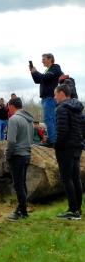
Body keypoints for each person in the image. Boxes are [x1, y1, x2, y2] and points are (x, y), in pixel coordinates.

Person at [54, 84, 83, 220]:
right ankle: (78, 209)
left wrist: (57, 146)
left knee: (66, 179)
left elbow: (62, 131)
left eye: (55, 94)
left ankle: (73, 210)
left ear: (61, 93)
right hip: (77, 146)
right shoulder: (78, 108)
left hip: (66, 148)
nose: (54, 97)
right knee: (75, 178)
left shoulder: (61, 109)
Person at [5, 97, 34, 221]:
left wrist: (7, 154)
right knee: (22, 183)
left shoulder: (14, 119)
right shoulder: (30, 120)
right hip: (27, 154)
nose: (8, 110)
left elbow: (11, 141)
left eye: (8, 107)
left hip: (17, 155)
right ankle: (22, 209)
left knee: (18, 185)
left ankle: (22, 212)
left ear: (12, 106)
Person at [30, 53, 63, 146]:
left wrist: (36, 72)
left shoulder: (55, 67)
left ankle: (53, 141)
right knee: (49, 119)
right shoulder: (47, 70)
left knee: (49, 119)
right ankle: (52, 139)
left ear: (50, 59)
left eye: (44, 59)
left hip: (50, 97)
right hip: (45, 98)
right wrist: (32, 72)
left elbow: (44, 77)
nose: (42, 61)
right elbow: (38, 80)